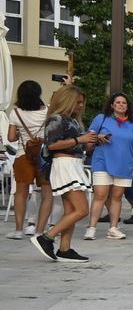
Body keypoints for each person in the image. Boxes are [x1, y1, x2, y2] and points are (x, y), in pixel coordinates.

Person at [30, 85, 95, 261]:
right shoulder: (56, 119)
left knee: (71, 210)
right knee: (82, 210)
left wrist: (93, 141)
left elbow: (78, 146)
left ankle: (64, 248)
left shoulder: (72, 120)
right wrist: (80, 139)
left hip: (73, 163)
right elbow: (51, 145)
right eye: (78, 102)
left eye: (82, 102)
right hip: (64, 165)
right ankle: (46, 238)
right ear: (67, 101)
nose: (81, 105)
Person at [83, 93, 133, 241]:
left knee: (117, 197)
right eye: (118, 102)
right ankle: (91, 228)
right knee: (100, 196)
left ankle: (113, 228)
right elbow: (88, 137)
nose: (121, 105)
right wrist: (98, 137)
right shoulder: (101, 118)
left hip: (125, 164)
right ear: (112, 105)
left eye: (124, 103)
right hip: (102, 161)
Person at [7, 80, 52, 240]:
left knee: (21, 193)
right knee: (47, 194)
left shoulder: (16, 113)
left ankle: (19, 230)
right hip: (44, 156)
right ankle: (40, 231)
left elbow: (11, 138)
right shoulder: (47, 110)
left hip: (23, 156)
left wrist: (23, 134)